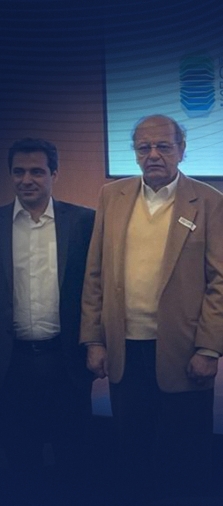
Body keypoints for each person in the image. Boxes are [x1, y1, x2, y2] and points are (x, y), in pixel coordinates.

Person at [80, 114, 223, 502]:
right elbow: (95, 273)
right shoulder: (111, 197)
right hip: (125, 349)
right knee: (132, 453)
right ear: (135, 153)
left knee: (185, 457)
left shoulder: (209, 201)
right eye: (144, 147)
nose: (153, 155)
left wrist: (209, 348)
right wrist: (94, 340)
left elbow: (222, 281)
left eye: (163, 146)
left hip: (184, 352)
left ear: (181, 150)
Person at [0, 138, 95, 504]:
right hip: (12, 363)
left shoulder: (84, 222)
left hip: (66, 360)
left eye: (37, 171)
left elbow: (98, 288)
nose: (27, 179)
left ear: (54, 174)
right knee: (20, 457)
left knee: (74, 456)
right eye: (19, 172)